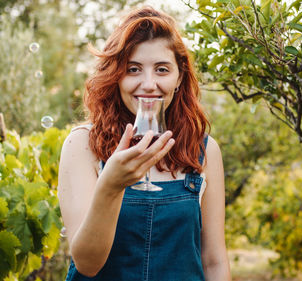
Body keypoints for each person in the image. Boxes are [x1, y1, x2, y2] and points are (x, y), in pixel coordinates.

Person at [58, 6, 231, 281]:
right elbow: (87, 264)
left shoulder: (205, 151)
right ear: (116, 76)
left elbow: (214, 261)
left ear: (179, 77)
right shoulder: (82, 145)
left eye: (162, 69)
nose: (149, 84)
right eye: (133, 69)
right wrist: (111, 185)